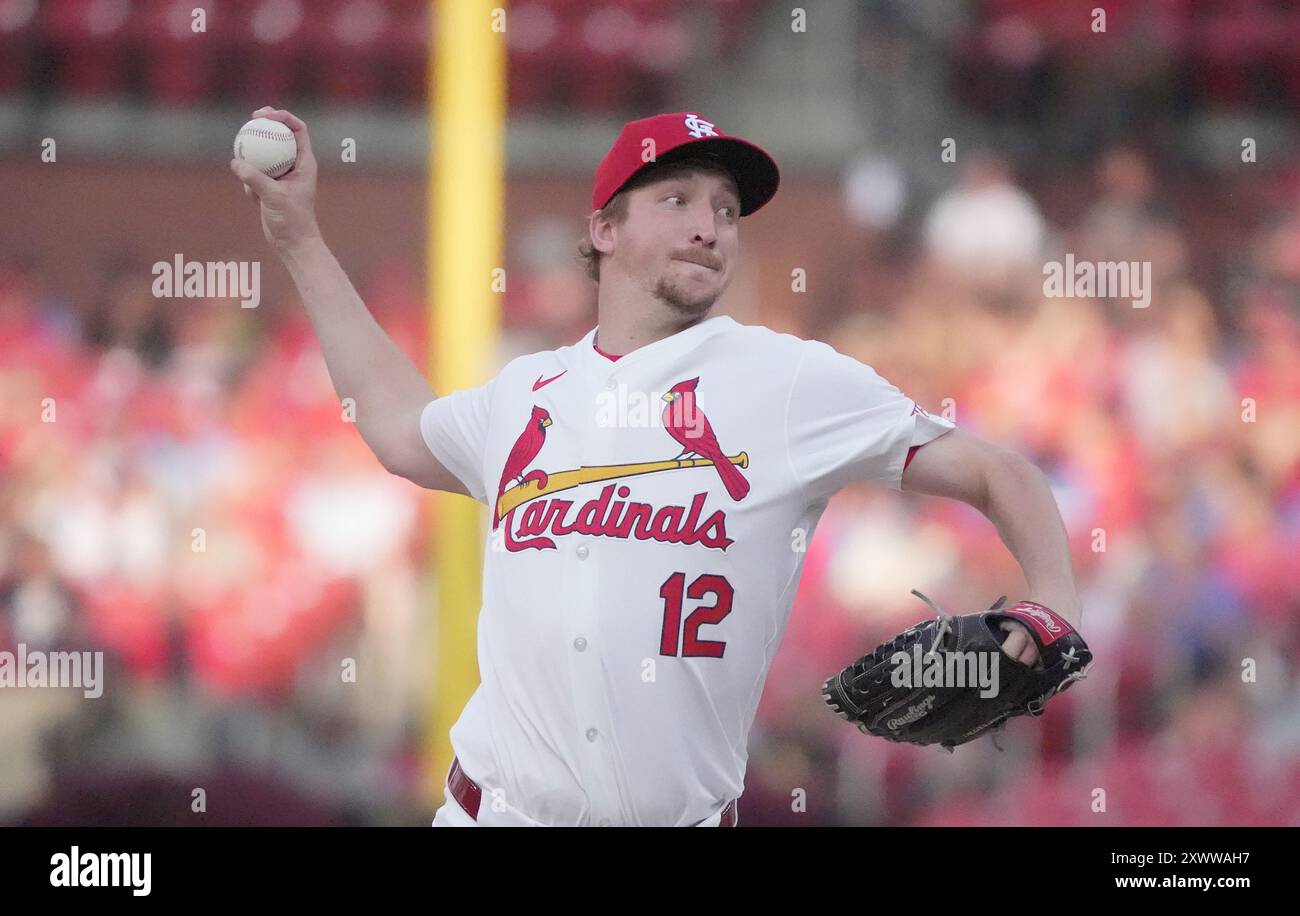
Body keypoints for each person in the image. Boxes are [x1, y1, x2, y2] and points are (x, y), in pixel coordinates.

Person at [231, 108, 1083, 827]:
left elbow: (997, 471)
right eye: (676, 199)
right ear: (604, 230)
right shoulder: (528, 393)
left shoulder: (789, 382)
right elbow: (396, 429)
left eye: (725, 209)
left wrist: (1052, 609)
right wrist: (297, 235)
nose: (709, 225)